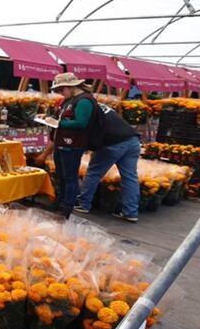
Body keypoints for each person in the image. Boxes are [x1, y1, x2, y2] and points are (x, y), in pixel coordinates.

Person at [73, 104, 141, 222]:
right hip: (132, 140)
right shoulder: (100, 106)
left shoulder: (84, 108)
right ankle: (131, 212)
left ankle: (83, 204)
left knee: (94, 173)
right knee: (130, 177)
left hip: (113, 143)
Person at [50, 72, 101, 218]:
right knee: (61, 175)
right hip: (62, 143)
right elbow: (61, 116)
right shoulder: (69, 100)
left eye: (61, 89)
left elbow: (81, 123)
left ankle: (67, 206)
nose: (60, 93)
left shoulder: (84, 100)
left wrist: (59, 123)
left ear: (70, 86)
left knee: (70, 177)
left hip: (73, 144)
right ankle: (61, 201)